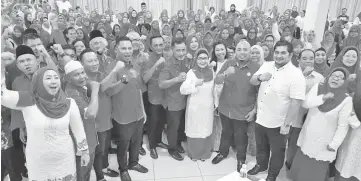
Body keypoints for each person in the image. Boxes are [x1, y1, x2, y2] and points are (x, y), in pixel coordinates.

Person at [1, 66, 90, 181]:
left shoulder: (69, 103)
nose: (53, 81)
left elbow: (78, 129)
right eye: (48, 78)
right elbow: (2, 95)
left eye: (56, 77)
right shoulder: (28, 100)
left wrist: (84, 151)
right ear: (38, 81)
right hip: (38, 162)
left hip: (64, 159)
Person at [248, 40, 306, 181]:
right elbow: (253, 81)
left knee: (277, 151)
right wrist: (261, 77)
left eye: (283, 53)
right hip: (261, 117)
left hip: (279, 122)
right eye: (277, 52)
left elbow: (296, 102)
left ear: (291, 54)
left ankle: (272, 174)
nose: (279, 56)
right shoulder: (267, 65)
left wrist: (286, 124)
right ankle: (261, 165)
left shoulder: (296, 75)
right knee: (261, 146)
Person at [290, 67, 353, 181]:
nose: (336, 78)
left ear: (345, 81)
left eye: (340, 77)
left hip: (324, 142)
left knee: (315, 172)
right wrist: (323, 98)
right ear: (328, 77)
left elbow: (343, 126)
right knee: (301, 167)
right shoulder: (318, 87)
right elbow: (305, 103)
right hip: (308, 136)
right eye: (334, 75)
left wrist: (334, 144)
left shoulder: (346, 100)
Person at [212, 40, 259, 172]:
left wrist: (254, 110)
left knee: (241, 136)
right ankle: (222, 152)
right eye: (239, 49)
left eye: (245, 50)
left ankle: (241, 159)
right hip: (225, 108)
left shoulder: (256, 67)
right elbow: (217, 80)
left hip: (243, 111)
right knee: (225, 132)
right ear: (235, 51)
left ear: (250, 51)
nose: (242, 52)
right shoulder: (228, 63)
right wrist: (225, 73)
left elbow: (259, 93)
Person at [106, 36, 148, 181]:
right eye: (123, 48)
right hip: (122, 115)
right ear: (116, 49)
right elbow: (109, 91)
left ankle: (134, 163)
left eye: (130, 48)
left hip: (138, 113)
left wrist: (143, 111)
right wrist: (124, 81)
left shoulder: (135, 65)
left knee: (137, 141)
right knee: (124, 145)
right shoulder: (112, 67)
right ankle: (123, 169)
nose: (128, 51)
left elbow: (138, 90)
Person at [79, 49, 119, 180]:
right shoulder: (83, 79)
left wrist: (122, 81)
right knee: (99, 151)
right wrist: (115, 71)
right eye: (90, 61)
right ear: (82, 63)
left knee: (105, 147)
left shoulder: (100, 74)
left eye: (95, 59)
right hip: (95, 123)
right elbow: (101, 88)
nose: (94, 63)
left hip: (106, 119)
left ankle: (104, 167)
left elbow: (109, 90)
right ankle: (100, 176)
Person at [285, 49, 324, 169]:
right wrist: (303, 76)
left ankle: (299, 167)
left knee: (304, 143)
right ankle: (289, 164)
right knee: (292, 143)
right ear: (298, 60)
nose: (308, 61)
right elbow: (287, 93)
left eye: (311, 58)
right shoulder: (290, 74)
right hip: (292, 117)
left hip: (309, 117)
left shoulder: (319, 78)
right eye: (304, 58)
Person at [64, 60, 100, 181]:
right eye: (76, 74)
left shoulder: (78, 87)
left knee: (86, 173)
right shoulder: (72, 94)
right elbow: (91, 113)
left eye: (82, 72)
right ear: (68, 78)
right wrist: (95, 90)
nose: (82, 76)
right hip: (83, 144)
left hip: (89, 138)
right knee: (82, 175)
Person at [180, 48, 214, 161]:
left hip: (208, 107)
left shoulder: (212, 72)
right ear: (196, 59)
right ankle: (194, 154)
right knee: (194, 129)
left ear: (208, 59)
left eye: (205, 58)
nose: (202, 61)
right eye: (200, 58)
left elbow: (215, 89)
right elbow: (183, 90)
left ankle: (204, 154)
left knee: (205, 129)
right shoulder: (191, 73)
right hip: (195, 107)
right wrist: (194, 83)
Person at [159, 38, 190, 161]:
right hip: (172, 103)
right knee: (173, 128)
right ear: (172, 50)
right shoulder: (167, 64)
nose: (181, 53)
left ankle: (177, 143)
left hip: (184, 100)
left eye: (183, 50)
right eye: (178, 50)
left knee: (180, 126)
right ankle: (172, 149)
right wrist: (176, 79)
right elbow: (161, 84)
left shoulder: (186, 61)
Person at [142, 35, 168, 159]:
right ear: (151, 47)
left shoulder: (167, 56)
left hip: (166, 95)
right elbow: (145, 78)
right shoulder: (147, 60)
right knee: (153, 122)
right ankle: (152, 146)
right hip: (153, 96)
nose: (158, 47)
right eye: (155, 45)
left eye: (160, 45)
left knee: (162, 121)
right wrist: (156, 64)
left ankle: (158, 141)